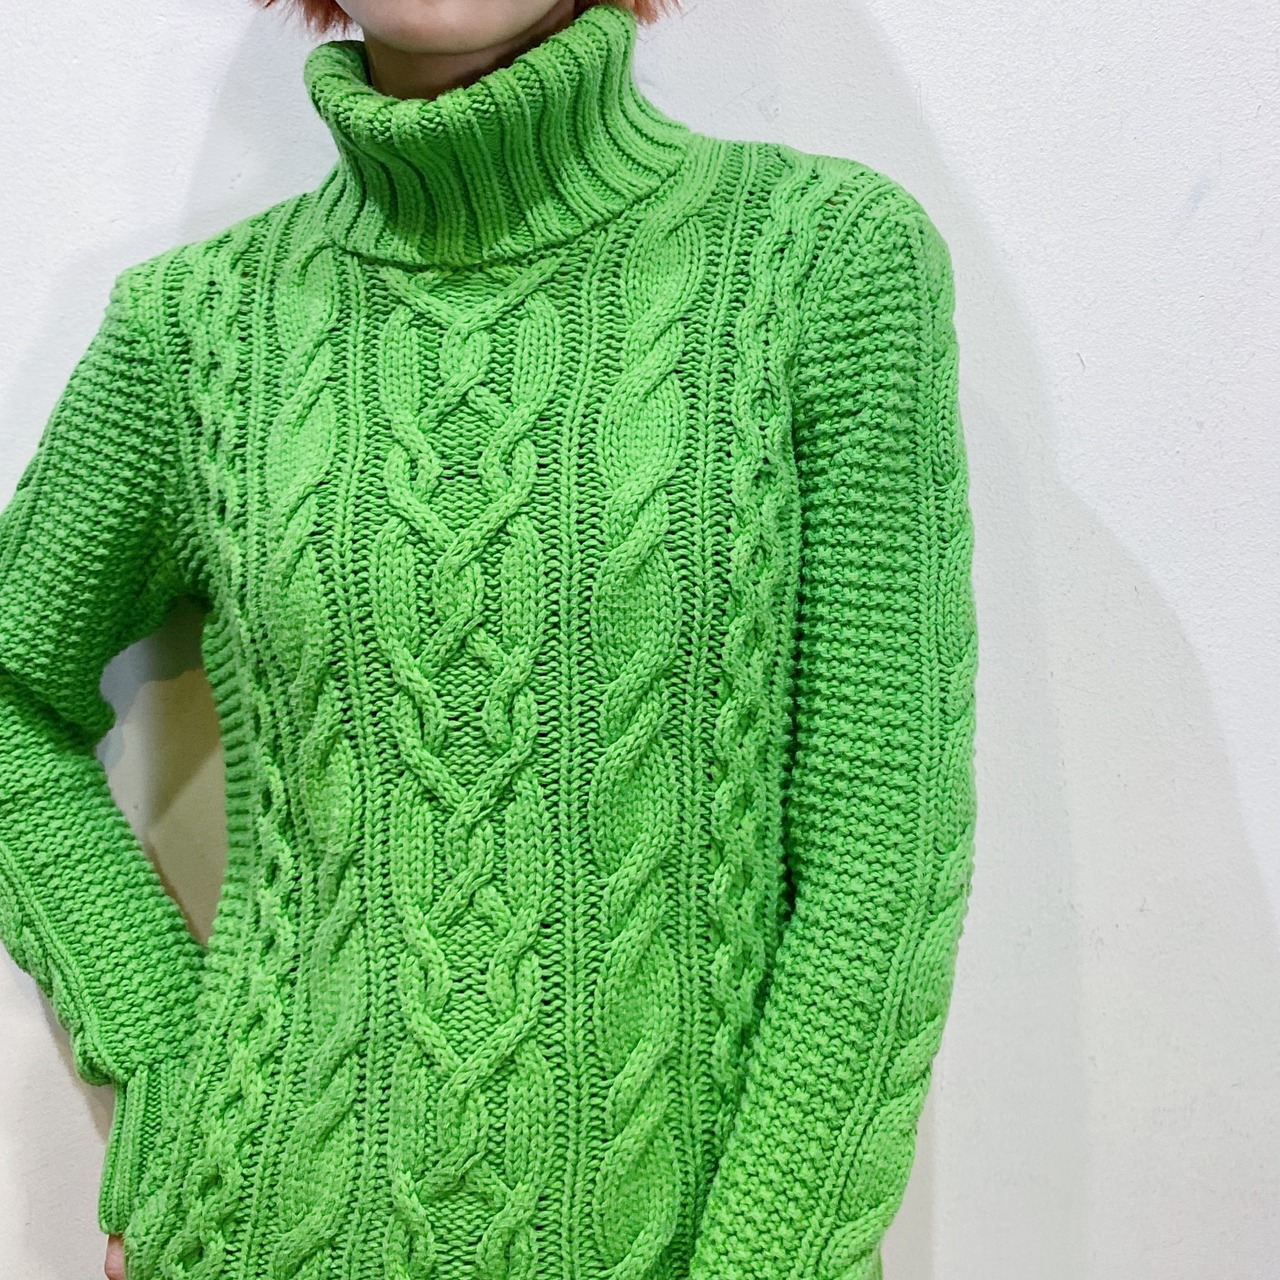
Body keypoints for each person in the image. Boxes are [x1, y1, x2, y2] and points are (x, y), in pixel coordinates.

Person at [0, 2, 978, 1279]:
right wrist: (168, 1065)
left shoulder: (819, 259)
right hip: (254, 1233)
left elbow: (881, 847)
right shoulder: (196, 329)